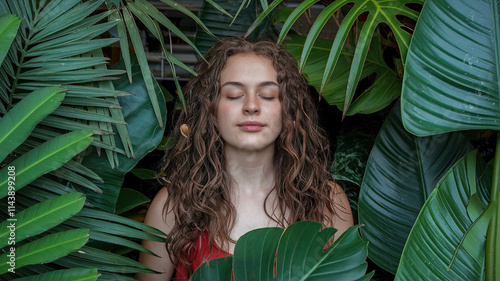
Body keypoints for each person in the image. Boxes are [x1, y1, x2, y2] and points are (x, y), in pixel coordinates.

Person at [137, 37, 353, 281]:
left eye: (268, 95)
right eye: (234, 95)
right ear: (211, 110)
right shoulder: (174, 205)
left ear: (288, 110)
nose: (251, 106)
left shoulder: (328, 202)